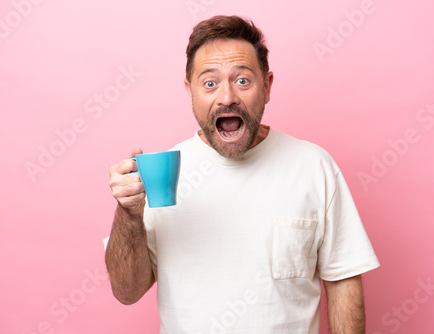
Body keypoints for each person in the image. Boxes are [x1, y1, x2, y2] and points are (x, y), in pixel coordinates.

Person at [105, 15, 380, 334]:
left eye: (242, 80)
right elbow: (126, 292)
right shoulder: (159, 176)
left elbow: (343, 280)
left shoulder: (313, 166)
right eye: (209, 83)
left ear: (267, 86)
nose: (227, 97)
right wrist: (128, 212)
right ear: (190, 91)